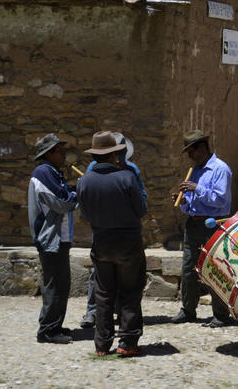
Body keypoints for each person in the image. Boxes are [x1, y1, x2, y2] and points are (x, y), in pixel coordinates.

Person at [77, 131, 148, 357]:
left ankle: (102, 344)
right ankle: (127, 342)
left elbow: (85, 215)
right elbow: (141, 209)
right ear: (113, 155)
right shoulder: (126, 177)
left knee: (104, 293)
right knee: (130, 291)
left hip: (102, 241)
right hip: (128, 241)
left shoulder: (84, 181)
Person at [172, 129, 234, 327]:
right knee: (189, 269)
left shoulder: (220, 169)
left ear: (201, 148)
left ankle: (221, 314)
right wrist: (182, 201)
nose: (190, 157)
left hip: (213, 223)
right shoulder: (196, 170)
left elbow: (220, 200)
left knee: (215, 268)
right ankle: (188, 309)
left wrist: (196, 188)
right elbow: (192, 202)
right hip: (194, 224)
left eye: (191, 152)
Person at [27, 133, 78, 345]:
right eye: (60, 151)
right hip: (51, 238)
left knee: (62, 284)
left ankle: (55, 324)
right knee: (54, 285)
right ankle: (47, 330)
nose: (64, 154)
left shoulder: (54, 172)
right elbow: (63, 201)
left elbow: (67, 194)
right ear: (48, 154)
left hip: (60, 237)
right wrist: (81, 192)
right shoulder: (44, 172)